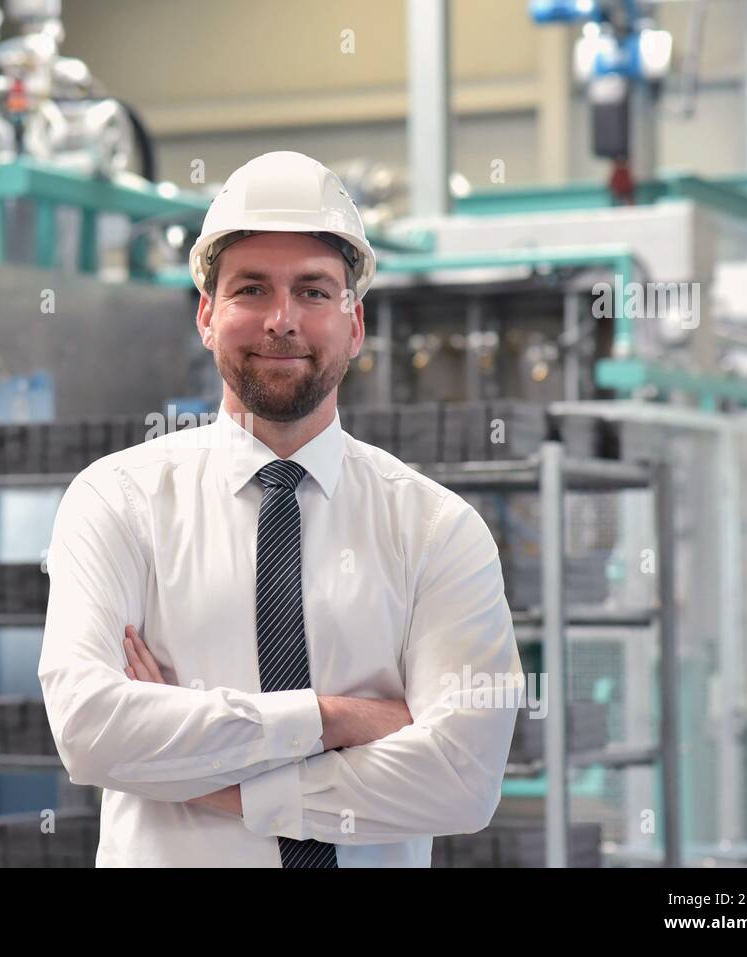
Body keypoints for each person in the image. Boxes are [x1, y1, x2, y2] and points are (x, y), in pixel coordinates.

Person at [37, 150, 522, 867]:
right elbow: (88, 729)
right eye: (251, 290)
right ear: (207, 315)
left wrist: (203, 776)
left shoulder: (436, 530)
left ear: (355, 326)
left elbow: (461, 779)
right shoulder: (118, 503)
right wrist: (335, 719)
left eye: (315, 292)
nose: (282, 320)